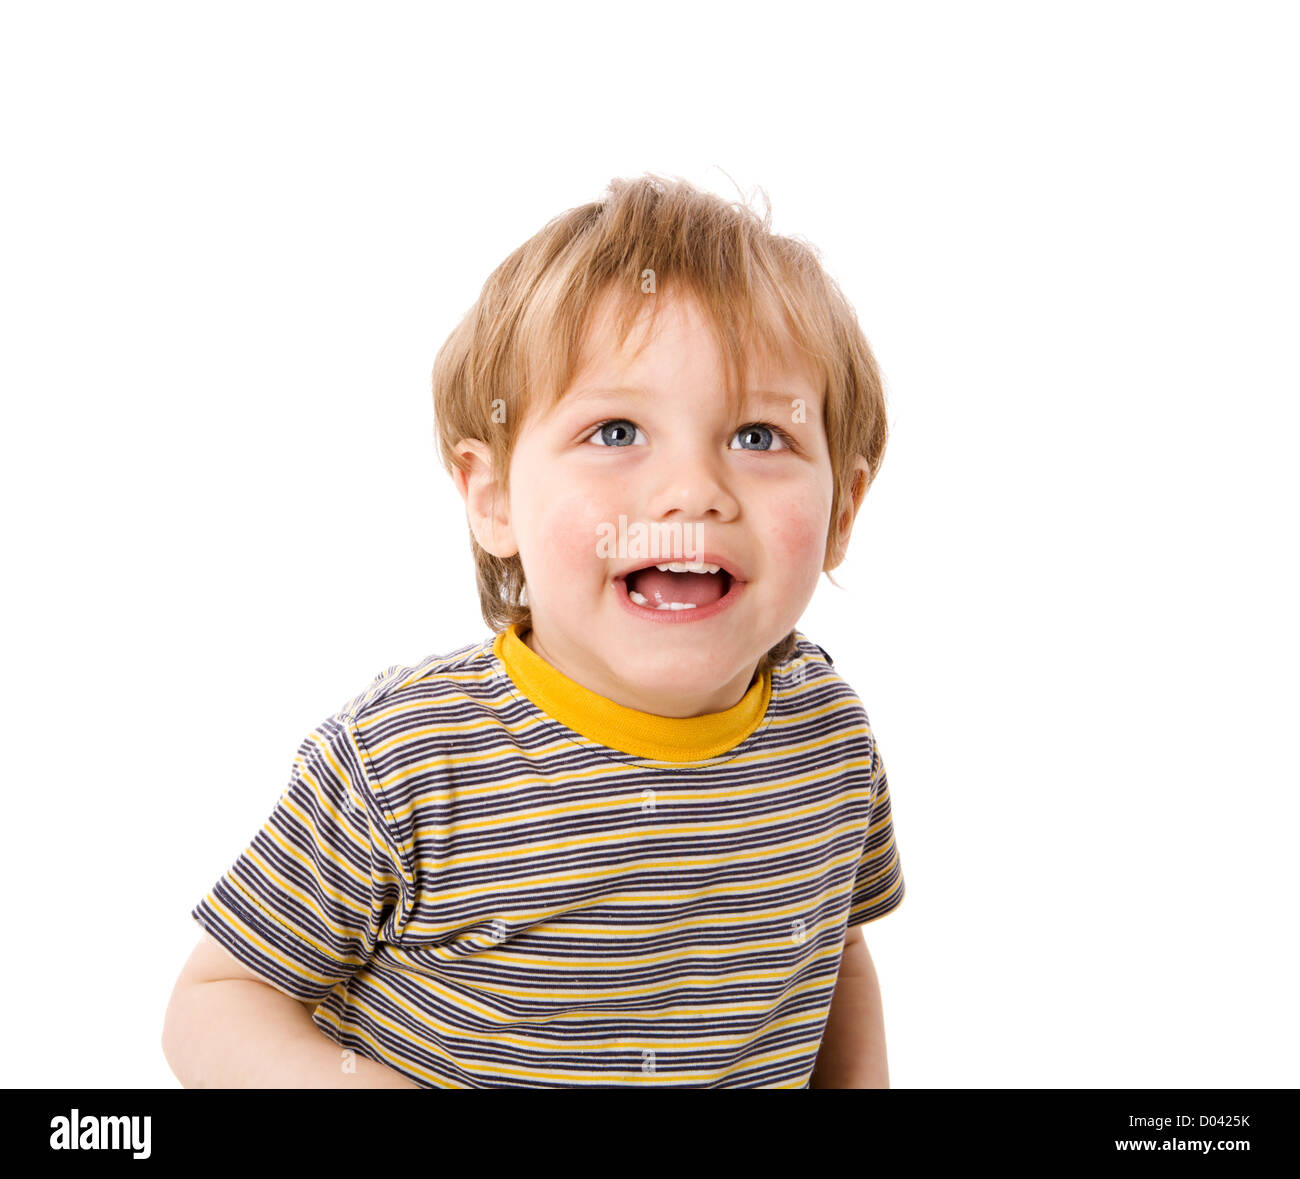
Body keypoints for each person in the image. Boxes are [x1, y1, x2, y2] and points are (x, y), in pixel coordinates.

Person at [161, 173, 905, 1088]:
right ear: (494, 496)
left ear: (844, 508)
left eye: (758, 436)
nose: (692, 492)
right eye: (618, 429)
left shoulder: (826, 735)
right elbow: (215, 1001)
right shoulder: (408, 761)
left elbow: (833, 957)